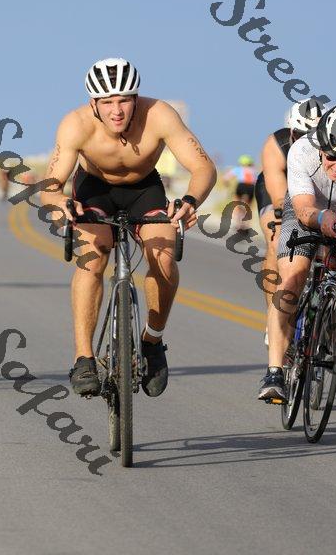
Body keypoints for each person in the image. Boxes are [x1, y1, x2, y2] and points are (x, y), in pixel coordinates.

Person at [41, 57, 217, 397]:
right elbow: (50, 185)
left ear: (136, 98)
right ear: (93, 103)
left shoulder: (159, 115)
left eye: (124, 100)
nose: (117, 110)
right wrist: (60, 203)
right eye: (107, 102)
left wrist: (190, 201)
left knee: (163, 258)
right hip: (94, 190)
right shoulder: (75, 124)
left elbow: (203, 167)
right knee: (92, 259)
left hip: (144, 189)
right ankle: (83, 359)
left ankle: (152, 341)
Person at [258, 103, 336, 401]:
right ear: (320, 146)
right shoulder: (301, 150)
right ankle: (274, 371)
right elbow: (303, 209)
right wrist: (323, 218)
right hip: (307, 207)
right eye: (332, 157)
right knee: (292, 278)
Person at [254, 98, 328, 346]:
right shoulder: (277, 143)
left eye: (315, 137)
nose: (308, 143)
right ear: (291, 132)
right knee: (277, 242)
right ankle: (274, 320)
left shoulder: (330, 149)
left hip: (312, 191)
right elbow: (279, 199)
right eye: (303, 135)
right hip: (280, 190)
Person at [223, 154, 257, 231]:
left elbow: (226, 178)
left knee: (237, 204)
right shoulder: (253, 170)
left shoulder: (239, 169)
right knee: (248, 206)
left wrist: (227, 185)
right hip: (251, 187)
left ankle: (238, 224)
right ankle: (246, 225)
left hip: (241, 186)